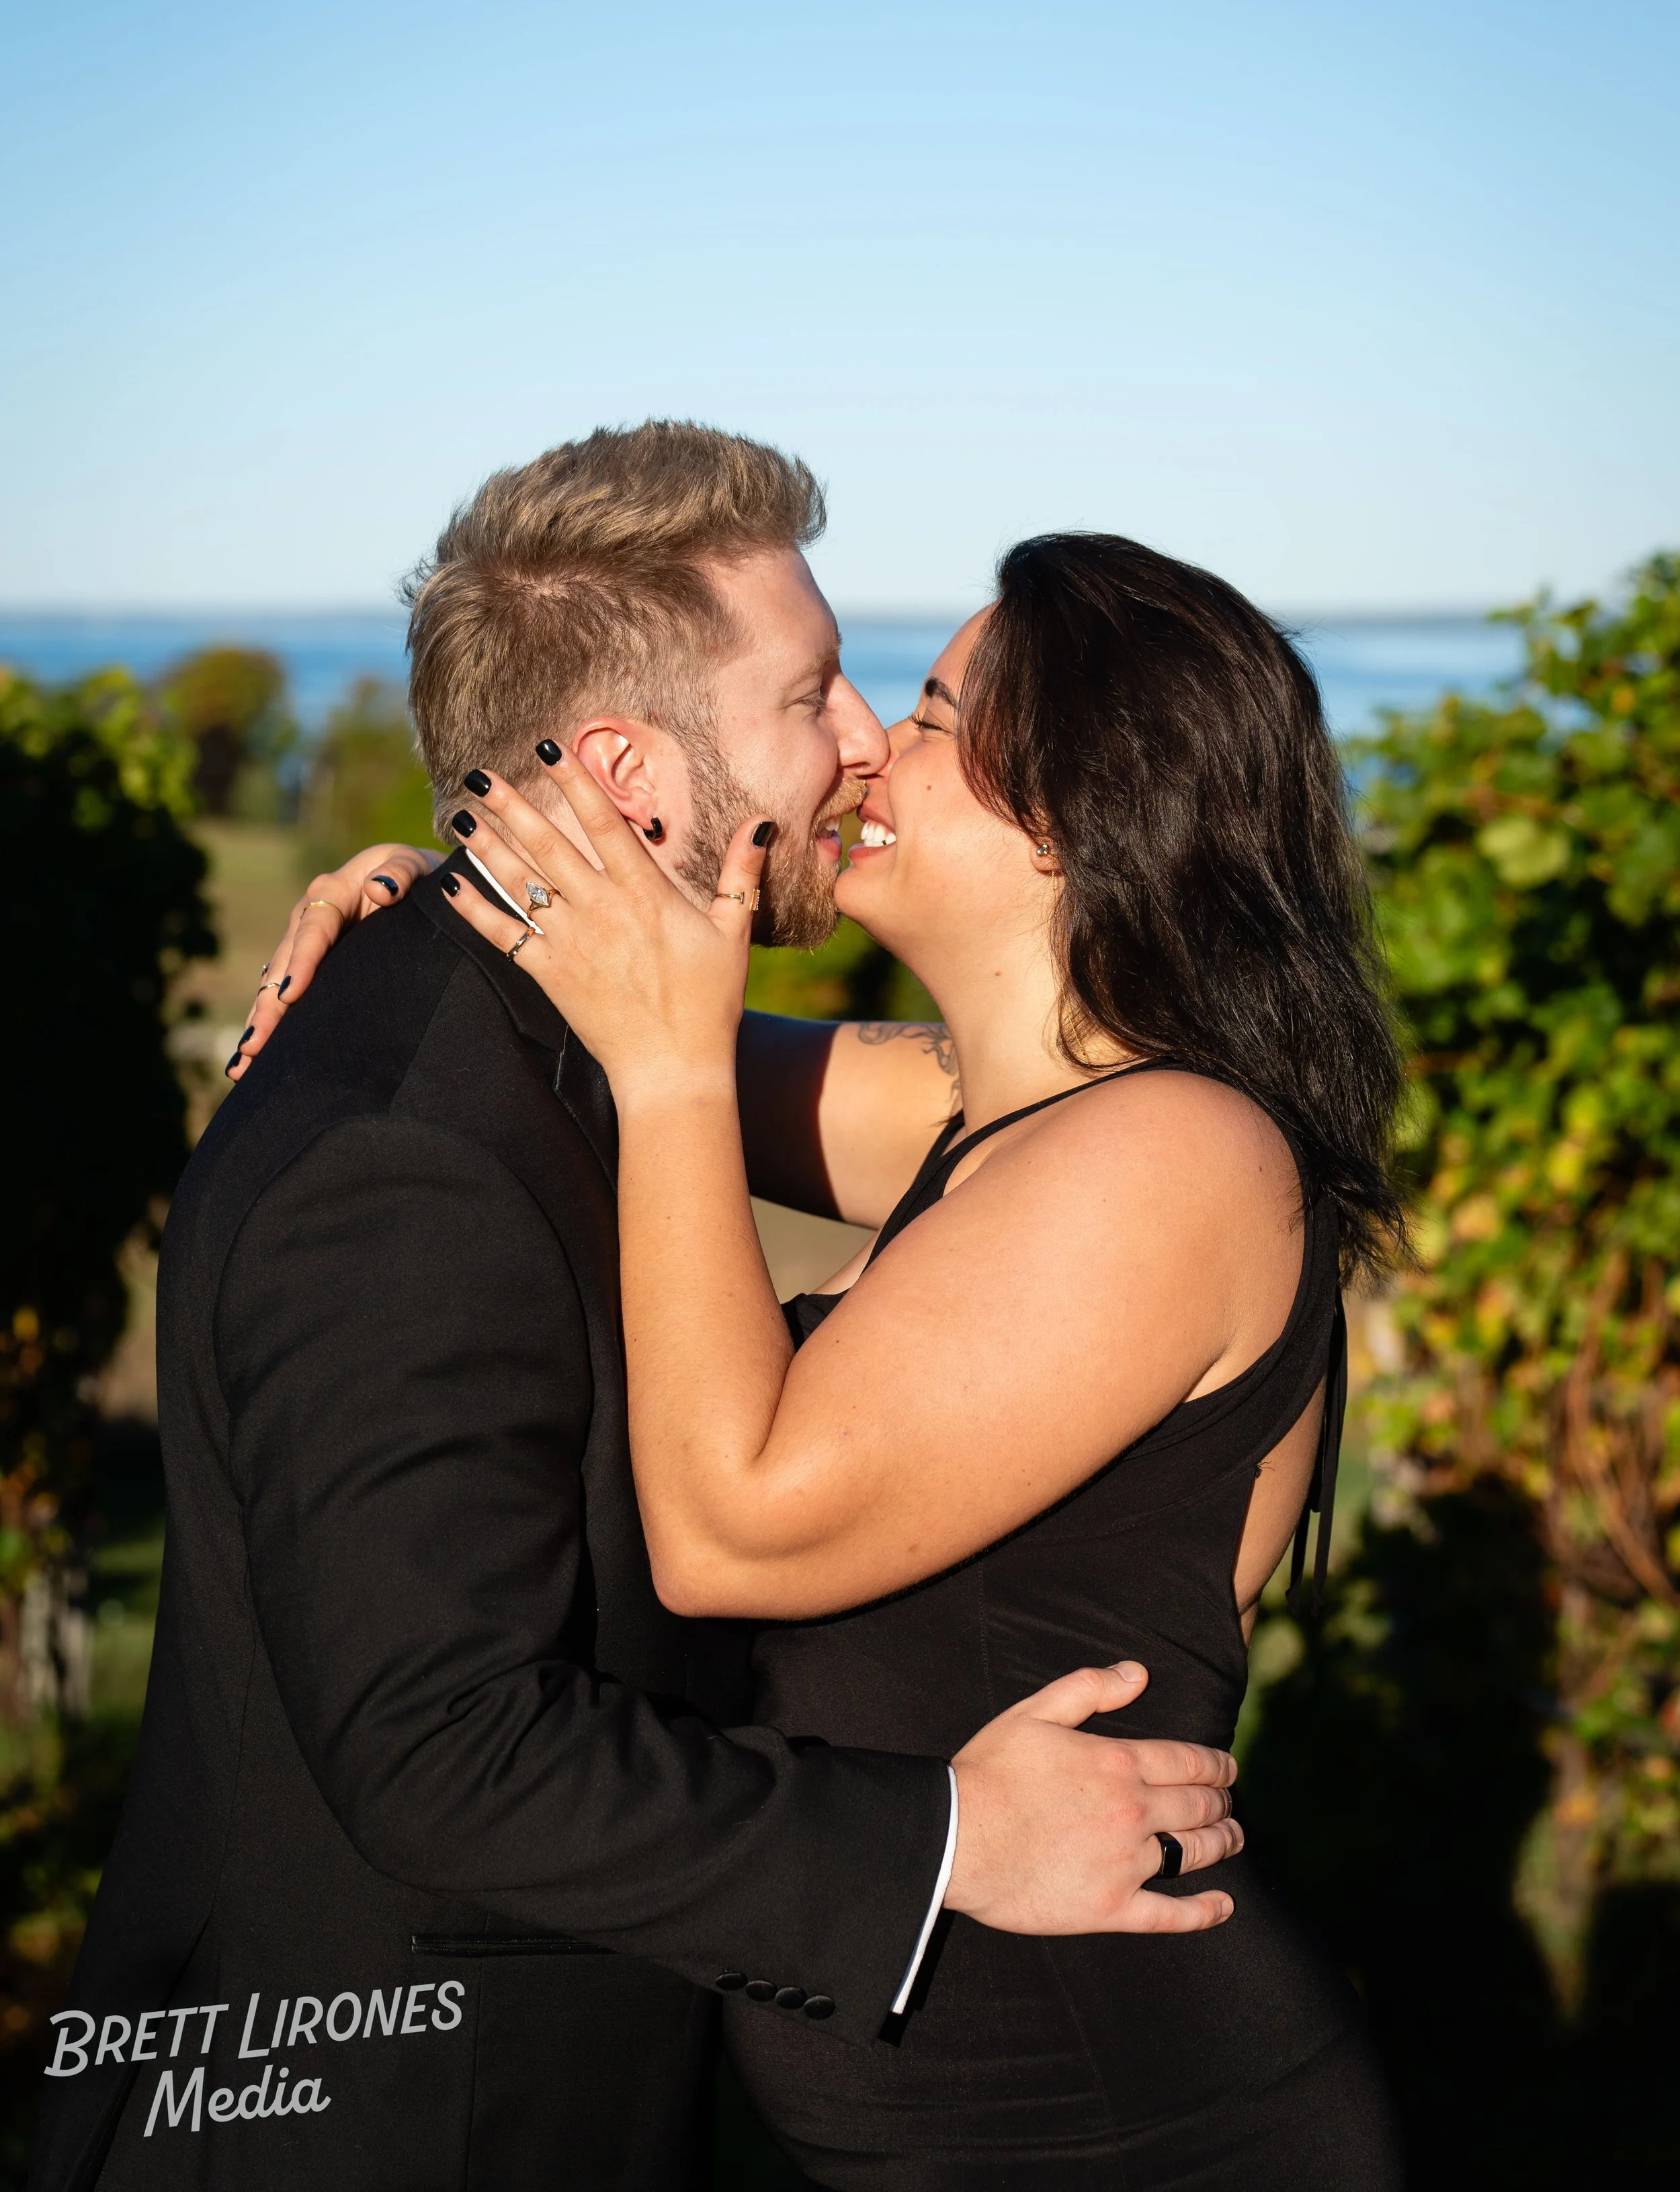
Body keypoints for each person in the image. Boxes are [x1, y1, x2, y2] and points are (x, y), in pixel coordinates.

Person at [32, 430, 1244, 2192]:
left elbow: (1030, 1102)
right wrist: (941, 1835)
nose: (856, 745)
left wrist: (477, 887)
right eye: (811, 691)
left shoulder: (598, 1038)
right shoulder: (408, 1156)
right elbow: (438, 1743)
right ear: (626, 774)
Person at [319, 526, 1411, 2187]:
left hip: (1126, 2119)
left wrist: (676, 1073)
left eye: (929, 709)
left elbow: (732, 1526)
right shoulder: (994, 1112)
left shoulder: (1171, 1156)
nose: (864, 749)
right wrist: (429, 895)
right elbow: (581, 994)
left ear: (1073, 814)